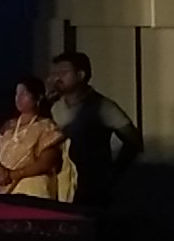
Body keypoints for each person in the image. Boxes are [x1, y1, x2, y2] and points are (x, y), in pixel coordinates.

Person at [48, 51, 142, 208]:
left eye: (63, 72)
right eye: (54, 73)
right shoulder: (54, 106)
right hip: (59, 184)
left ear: (81, 75)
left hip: (90, 186)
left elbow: (133, 140)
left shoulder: (102, 106)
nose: (57, 78)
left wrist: (112, 173)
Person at [0, 76, 68, 201]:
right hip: (4, 188)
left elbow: (46, 163)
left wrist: (12, 175)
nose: (18, 98)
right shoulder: (8, 125)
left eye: (24, 93)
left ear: (38, 98)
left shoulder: (47, 127)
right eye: (17, 93)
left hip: (33, 191)